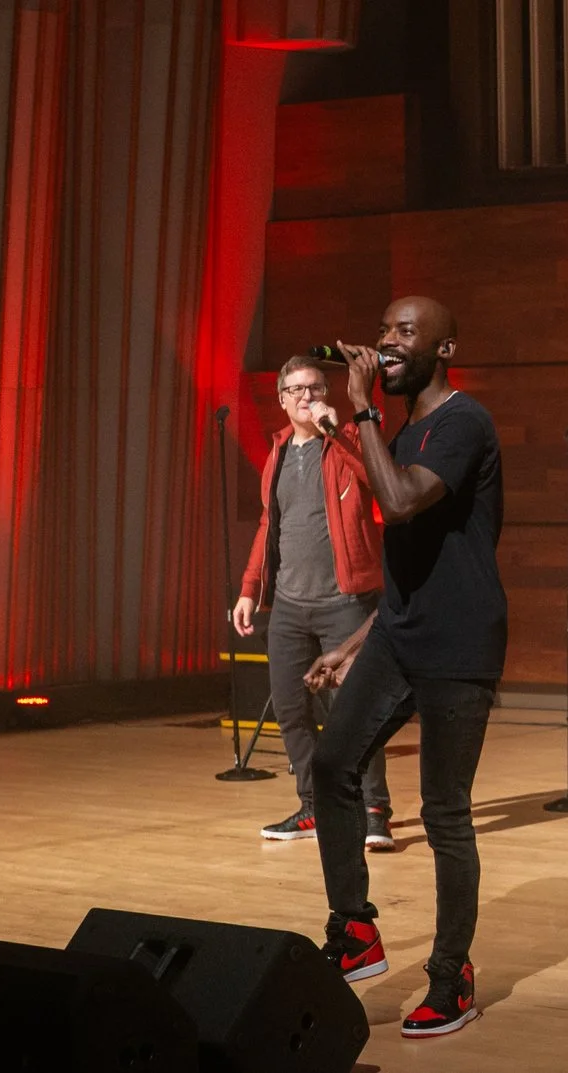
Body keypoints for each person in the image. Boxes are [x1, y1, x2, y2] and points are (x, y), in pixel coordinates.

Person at [305, 295, 507, 1037]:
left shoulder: (461, 421)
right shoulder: (410, 427)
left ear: (443, 349)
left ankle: (452, 977)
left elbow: (398, 504)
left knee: (445, 811)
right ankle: (355, 927)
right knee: (332, 766)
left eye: (404, 333)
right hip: (399, 633)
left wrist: (358, 408)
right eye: (384, 329)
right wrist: (357, 639)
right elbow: (410, 566)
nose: (386, 341)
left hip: (460, 642)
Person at [232, 353, 394, 851]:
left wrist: (336, 433)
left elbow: (376, 481)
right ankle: (315, 806)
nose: (308, 397)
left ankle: (371, 809)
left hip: (343, 602)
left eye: (317, 388)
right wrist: (248, 588)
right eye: (298, 390)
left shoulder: (345, 442)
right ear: (282, 400)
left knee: (353, 710)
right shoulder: (277, 452)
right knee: (290, 708)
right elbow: (268, 525)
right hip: (287, 606)